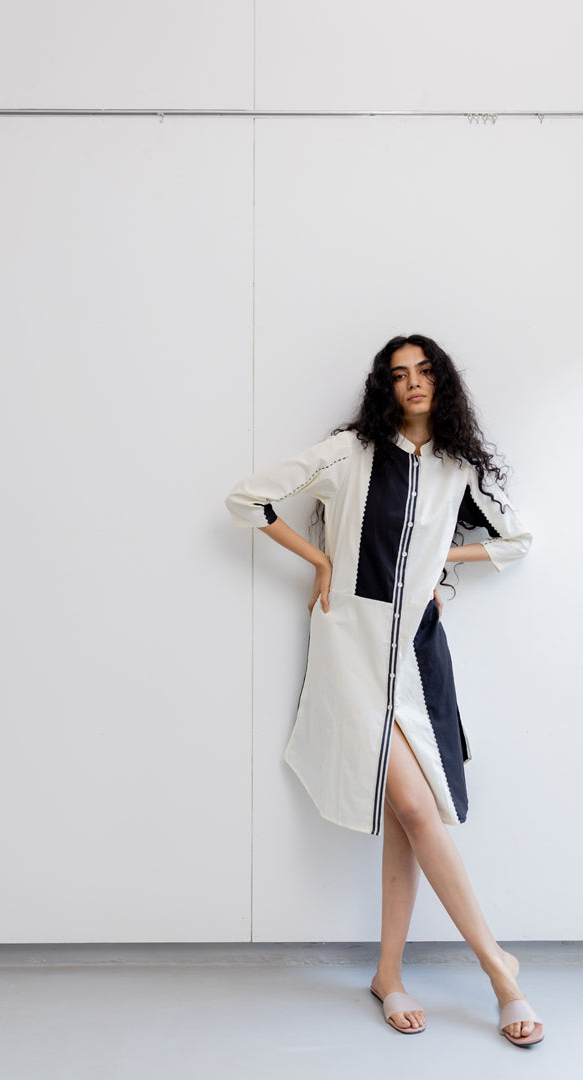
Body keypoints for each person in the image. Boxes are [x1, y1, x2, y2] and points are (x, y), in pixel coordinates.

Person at [225, 334, 543, 1047]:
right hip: (350, 650)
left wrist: (434, 563)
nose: (413, 383)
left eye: (424, 371)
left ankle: (388, 973)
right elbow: (247, 499)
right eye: (399, 375)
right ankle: (500, 970)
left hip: (418, 656)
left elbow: (516, 540)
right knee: (414, 807)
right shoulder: (349, 453)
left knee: (408, 814)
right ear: (385, 387)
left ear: (441, 382)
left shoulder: (458, 467)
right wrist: (320, 562)